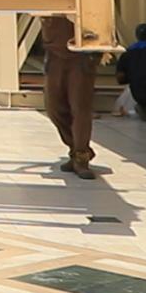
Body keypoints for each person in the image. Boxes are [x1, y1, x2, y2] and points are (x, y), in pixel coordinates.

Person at [41, 15, 98, 178]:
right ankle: (76, 149)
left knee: (80, 108)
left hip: (81, 54)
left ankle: (81, 157)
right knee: (53, 108)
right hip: (54, 54)